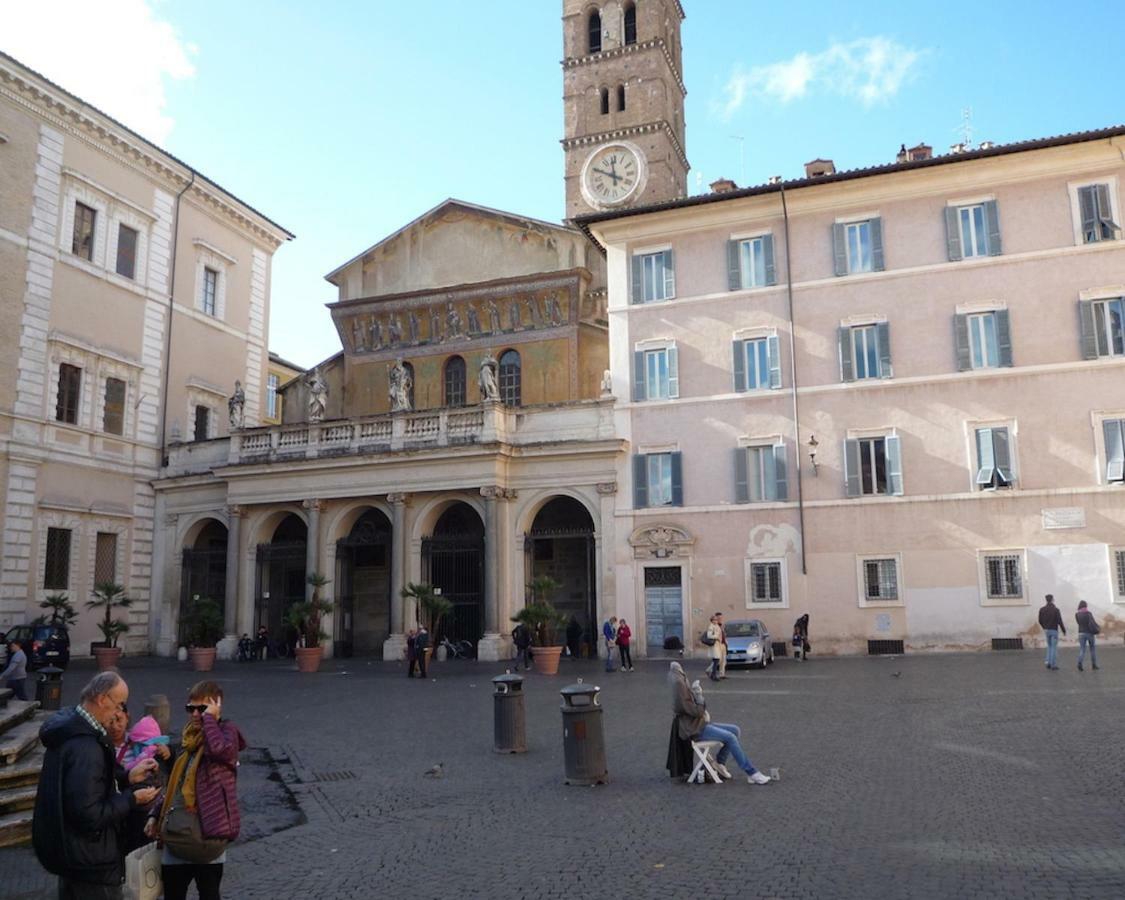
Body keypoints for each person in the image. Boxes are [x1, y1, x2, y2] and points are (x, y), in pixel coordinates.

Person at [33, 671, 161, 899]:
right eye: (119, 703)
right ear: (103, 699)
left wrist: (127, 777)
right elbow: (90, 814)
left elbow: (86, 785)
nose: (120, 712)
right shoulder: (86, 747)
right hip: (91, 861)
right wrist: (132, 799)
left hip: (72, 855)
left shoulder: (71, 728)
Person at [148, 680, 246, 900]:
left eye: (201, 708)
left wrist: (210, 719)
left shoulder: (226, 731)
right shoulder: (189, 738)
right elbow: (177, 783)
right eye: (190, 708)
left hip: (208, 834)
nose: (194, 714)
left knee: (209, 894)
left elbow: (220, 751)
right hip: (178, 835)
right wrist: (155, 813)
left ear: (216, 706)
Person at [669, 662, 771, 785]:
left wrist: (696, 696)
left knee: (735, 730)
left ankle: (719, 763)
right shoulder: (679, 687)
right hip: (694, 729)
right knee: (730, 737)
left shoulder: (679, 685)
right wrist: (699, 696)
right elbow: (697, 711)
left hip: (699, 724)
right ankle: (752, 772)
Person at [1038, 594, 1065, 670]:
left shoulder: (1042, 609)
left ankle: (1048, 662)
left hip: (1047, 630)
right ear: (1052, 600)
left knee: (1049, 647)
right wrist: (1063, 630)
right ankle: (1053, 664)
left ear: (1046, 600)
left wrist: (1044, 627)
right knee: (1053, 647)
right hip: (1054, 630)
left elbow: (1040, 620)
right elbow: (1060, 621)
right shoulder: (1056, 610)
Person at [1075, 600, 1100, 672]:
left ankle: (1079, 662)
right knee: (1092, 649)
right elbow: (1093, 622)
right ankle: (1094, 665)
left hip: (1081, 633)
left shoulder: (1077, 614)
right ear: (1086, 606)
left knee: (1082, 649)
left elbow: (1078, 623)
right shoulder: (1088, 613)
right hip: (1089, 633)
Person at [705, 614, 723, 681]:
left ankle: (711, 673)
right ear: (712, 620)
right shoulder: (711, 626)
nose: (716, 621)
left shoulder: (716, 626)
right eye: (714, 620)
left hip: (717, 645)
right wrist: (717, 637)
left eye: (716, 620)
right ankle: (713, 675)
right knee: (716, 660)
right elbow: (709, 635)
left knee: (716, 660)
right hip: (714, 645)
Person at [716, 612, 728, 680]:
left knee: (724, 660)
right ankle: (709, 670)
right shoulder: (714, 626)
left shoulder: (722, 626)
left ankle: (722, 674)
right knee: (718, 660)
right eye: (719, 618)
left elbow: (724, 634)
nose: (720, 619)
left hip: (723, 644)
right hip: (718, 644)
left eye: (721, 618)